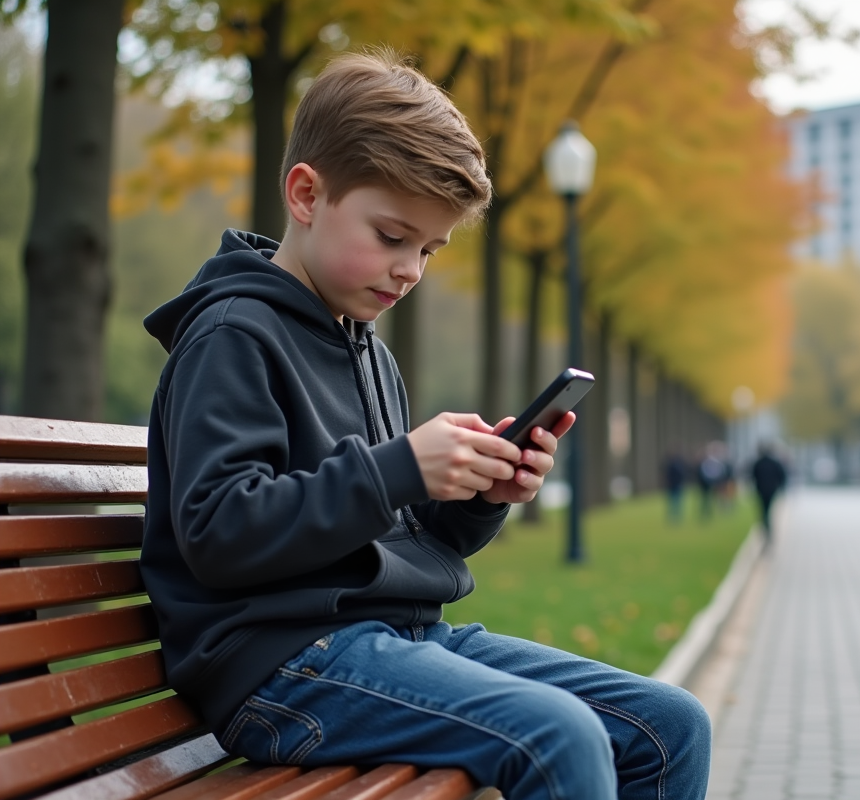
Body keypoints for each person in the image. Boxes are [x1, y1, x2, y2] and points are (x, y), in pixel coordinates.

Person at [139, 50, 710, 800]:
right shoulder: (232, 336)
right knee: (558, 737)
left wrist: (479, 496)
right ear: (307, 194)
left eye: (430, 250)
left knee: (671, 725)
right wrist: (398, 468)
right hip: (280, 665)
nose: (409, 269)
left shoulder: (368, 349)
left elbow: (406, 541)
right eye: (391, 236)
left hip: (396, 639)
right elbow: (220, 532)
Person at [750, 441, 788, 539]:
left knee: (764, 509)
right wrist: (780, 487)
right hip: (771, 490)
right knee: (768, 509)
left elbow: (752, 477)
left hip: (761, 490)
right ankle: (767, 527)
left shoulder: (758, 463)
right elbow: (782, 476)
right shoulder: (775, 462)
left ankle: (766, 526)